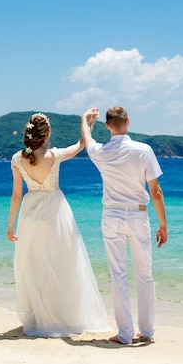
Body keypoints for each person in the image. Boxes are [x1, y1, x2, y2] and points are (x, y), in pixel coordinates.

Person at [7, 112, 109, 337]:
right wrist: (87, 124)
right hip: (55, 213)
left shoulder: (17, 159)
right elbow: (82, 144)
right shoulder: (55, 155)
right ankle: (59, 315)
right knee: (61, 263)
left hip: (30, 215)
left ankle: (39, 315)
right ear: (47, 134)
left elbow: (16, 195)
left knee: (36, 267)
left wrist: (10, 226)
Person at [81, 106, 168, 345]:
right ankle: (148, 331)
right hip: (139, 216)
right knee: (145, 275)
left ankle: (125, 334)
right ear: (128, 122)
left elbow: (87, 139)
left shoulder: (100, 151)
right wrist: (163, 224)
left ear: (108, 125)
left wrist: (86, 121)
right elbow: (156, 191)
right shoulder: (143, 150)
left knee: (118, 275)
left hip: (112, 216)